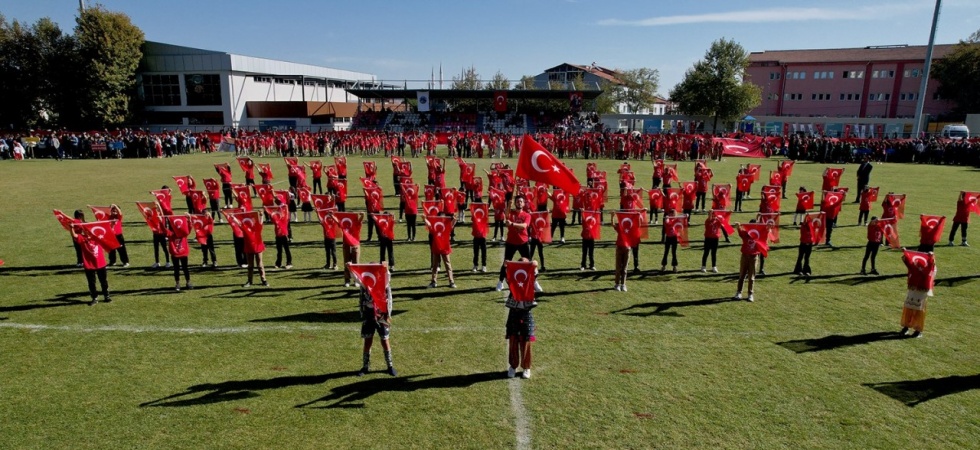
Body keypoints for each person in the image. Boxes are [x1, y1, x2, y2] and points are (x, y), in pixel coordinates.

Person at [355, 264, 397, 376]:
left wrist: (385, 267)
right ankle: (365, 366)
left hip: (381, 315)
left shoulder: (383, 282)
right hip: (369, 315)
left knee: (385, 340)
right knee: (368, 340)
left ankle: (390, 365)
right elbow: (356, 276)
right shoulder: (365, 284)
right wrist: (349, 267)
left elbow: (388, 275)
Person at [504, 258, 538, 379]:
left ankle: (526, 367)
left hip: (526, 313)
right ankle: (513, 366)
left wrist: (530, 265)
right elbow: (506, 274)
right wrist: (508, 265)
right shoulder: (513, 278)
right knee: (513, 340)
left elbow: (535, 265)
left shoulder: (530, 278)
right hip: (514, 312)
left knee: (526, 340)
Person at [496, 196, 532, 291]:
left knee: (529, 263)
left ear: (524, 204)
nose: (519, 203)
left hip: (523, 242)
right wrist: (508, 205)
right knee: (506, 262)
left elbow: (524, 226)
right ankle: (500, 282)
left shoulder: (527, 215)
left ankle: (533, 282)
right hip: (511, 242)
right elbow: (506, 215)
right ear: (515, 203)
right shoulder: (511, 213)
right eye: (517, 201)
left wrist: (512, 224)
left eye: (521, 201)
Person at [899, 249, 937, 338]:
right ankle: (906, 327)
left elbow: (931, 266)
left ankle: (918, 330)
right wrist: (905, 252)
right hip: (913, 290)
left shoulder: (927, 270)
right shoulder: (914, 267)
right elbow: (908, 262)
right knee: (909, 308)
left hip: (921, 292)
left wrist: (931, 257)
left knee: (918, 310)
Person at [72, 221, 111, 305]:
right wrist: (72, 228)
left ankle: (106, 295)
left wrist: (112, 223)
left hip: (100, 263)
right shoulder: (82, 238)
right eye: (85, 229)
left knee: (103, 281)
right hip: (89, 264)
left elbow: (107, 231)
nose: (87, 231)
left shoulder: (97, 237)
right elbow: (74, 236)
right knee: (91, 283)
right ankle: (94, 298)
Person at [230, 212, 268, 287]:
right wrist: (233, 218)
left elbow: (260, 222)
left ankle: (264, 280)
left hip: (258, 247)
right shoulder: (245, 228)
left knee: (260, 265)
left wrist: (261, 216)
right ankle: (250, 281)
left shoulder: (257, 228)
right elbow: (239, 223)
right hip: (249, 248)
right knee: (250, 266)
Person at [734, 220, 767, 302]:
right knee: (742, 275)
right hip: (745, 256)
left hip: (754, 257)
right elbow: (740, 232)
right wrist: (738, 226)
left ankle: (750, 294)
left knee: (751, 277)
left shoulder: (759, 235)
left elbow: (766, 231)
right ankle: (739, 292)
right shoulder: (745, 233)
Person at [425, 213, 456, 288]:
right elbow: (429, 225)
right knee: (435, 265)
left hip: (445, 248)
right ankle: (433, 282)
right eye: (440, 218)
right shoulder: (435, 226)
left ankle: (451, 282)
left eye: (443, 218)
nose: (442, 219)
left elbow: (452, 224)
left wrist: (454, 219)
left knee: (448, 265)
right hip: (436, 247)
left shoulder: (446, 225)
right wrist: (424, 219)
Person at [165, 216, 192, 291]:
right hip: (175, 254)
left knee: (185, 268)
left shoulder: (184, 233)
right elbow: (164, 229)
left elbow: (189, 228)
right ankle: (177, 284)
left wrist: (189, 219)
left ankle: (188, 282)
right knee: (176, 269)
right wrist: (161, 220)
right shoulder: (171, 234)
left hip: (183, 253)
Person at [267, 204, 292, 269]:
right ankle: (278, 263)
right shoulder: (275, 220)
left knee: (287, 250)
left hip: (284, 236)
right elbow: (271, 216)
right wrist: (266, 209)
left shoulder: (285, 218)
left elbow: (286, 210)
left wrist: (285, 206)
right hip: (278, 236)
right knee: (279, 251)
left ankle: (289, 263)